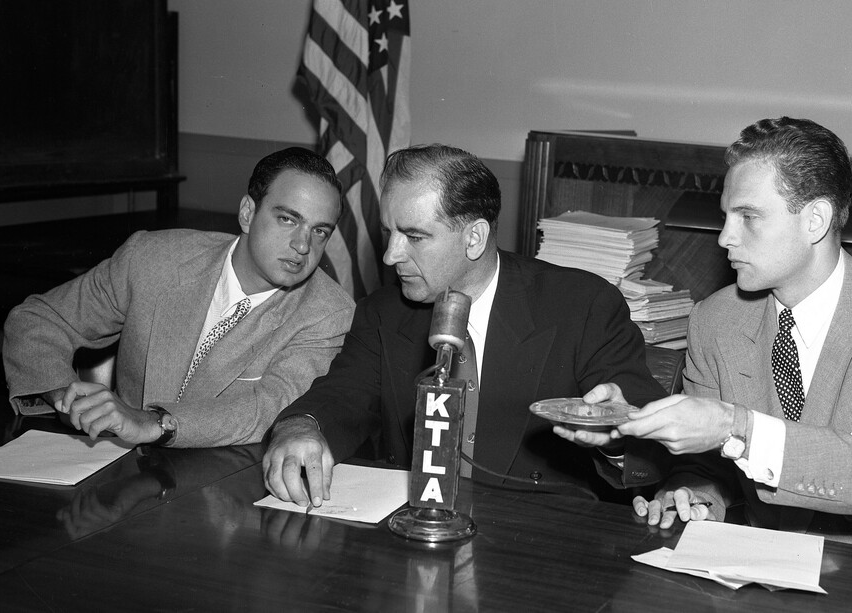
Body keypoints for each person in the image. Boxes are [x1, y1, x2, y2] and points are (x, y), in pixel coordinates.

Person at [558, 117, 852, 561]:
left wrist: (736, 426)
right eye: (726, 217)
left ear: (816, 220)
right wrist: (689, 489)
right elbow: (710, 463)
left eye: (748, 217)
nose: (725, 237)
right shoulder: (716, 320)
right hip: (763, 566)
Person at [262, 143, 666, 507]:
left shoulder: (582, 305)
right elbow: (344, 395)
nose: (389, 256)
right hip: (416, 528)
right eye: (389, 233)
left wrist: (617, 440)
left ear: (474, 238)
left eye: (414, 236)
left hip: (537, 540)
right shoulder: (384, 310)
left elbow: (649, 445)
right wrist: (302, 424)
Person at [3, 147, 355, 448]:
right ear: (248, 213)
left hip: (224, 488)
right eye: (288, 219)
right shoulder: (152, 258)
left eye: (319, 231)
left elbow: (270, 407)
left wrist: (153, 422)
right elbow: (37, 320)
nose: (303, 246)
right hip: (117, 467)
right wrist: (66, 397)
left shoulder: (329, 312)